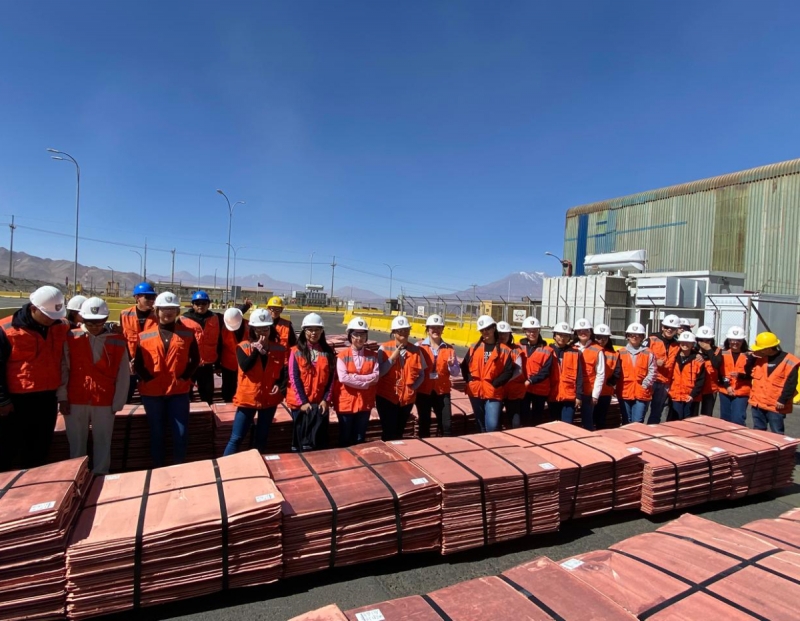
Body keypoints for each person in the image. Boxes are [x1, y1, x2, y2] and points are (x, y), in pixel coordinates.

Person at [57, 297, 129, 474]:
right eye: (90, 322)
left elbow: (123, 374)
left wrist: (118, 401)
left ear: (105, 320)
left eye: (99, 322)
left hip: (104, 399)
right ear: (82, 318)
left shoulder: (117, 340)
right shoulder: (71, 337)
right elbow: (63, 369)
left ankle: (100, 474)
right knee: (76, 442)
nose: (95, 326)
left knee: (103, 441)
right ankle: (76, 475)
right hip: (76, 399)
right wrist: (63, 397)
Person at [0, 286, 69, 471]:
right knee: (9, 448)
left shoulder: (59, 325)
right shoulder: (7, 330)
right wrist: (3, 400)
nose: (51, 320)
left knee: (40, 446)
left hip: (47, 398)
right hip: (17, 401)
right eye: (47, 316)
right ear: (33, 309)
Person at [134, 292, 200, 467]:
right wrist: (148, 380)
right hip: (152, 393)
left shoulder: (187, 334)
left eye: (172, 309)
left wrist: (184, 378)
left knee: (181, 432)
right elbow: (138, 365)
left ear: (178, 311)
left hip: (178, 392)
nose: (168, 312)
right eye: (164, 309)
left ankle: (179, 466)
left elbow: (195, 360)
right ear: (156, 310)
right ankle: (158, 468)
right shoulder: (144, 336)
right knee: (157, 433)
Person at [223, 308, 287, 455]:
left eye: (265, 328)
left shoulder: (278, 348)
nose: (262, 332)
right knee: (237, 438)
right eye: (258, 329)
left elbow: (283, 373)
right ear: (252, 329)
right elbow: (245, 366)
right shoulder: (243, 347)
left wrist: (280, 386)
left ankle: (256, 468)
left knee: (261, 438)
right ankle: (226, 468)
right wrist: (256, 350)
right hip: (248, 398)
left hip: (269, 399)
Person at [286, 313, 335, 451]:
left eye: (317, 329)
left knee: (318, 442)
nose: (314, 333)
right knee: (301, 441)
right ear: (304, 331)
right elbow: (294, 378)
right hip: (300, 405)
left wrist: (326, 400)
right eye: (310, 329)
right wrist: (303, 402)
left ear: (322, 331)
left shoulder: (328, 351)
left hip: (320, 403)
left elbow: (332, 378)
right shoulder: (295, 351)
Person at [461, 315, 513, 433]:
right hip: (476, 390)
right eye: (482, 330)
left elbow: (508, 371)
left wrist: (495, 384)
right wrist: (469, 380)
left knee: (492, 425)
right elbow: (464, 366)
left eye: (488, 329)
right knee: (479, 423)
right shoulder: (474, 347)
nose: (485, 332)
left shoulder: (505, 350)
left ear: (494, 328)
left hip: (493, 391)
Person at [376, 315, 425, 441]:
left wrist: (413, 388)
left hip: (406, 399)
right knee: (389, 432)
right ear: (393, 333)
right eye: (400, 331)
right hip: (387, 397)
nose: (403, 333)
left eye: (406, 330)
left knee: (399, 432)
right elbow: (379, 373)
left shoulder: (415, 350)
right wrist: (392, 359)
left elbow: (421, 374)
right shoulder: (384, 348)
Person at [336, 316, 380, 446]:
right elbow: (343, 378)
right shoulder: (342, 356)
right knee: (345, 437)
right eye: (356, 335)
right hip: (347, 403)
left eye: (362, 335)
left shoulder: (373, 356)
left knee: (360, 438)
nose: (359, 338)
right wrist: (366, 382)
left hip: (364, 403)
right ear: (350, 336)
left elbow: (376, 377)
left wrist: (354, 377)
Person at [416, 314, 460, 437]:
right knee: (424, 423)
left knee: (446, 425)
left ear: (442, 329)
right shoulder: (418, 347)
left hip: (442, 391)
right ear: (427, 329)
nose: (436, 330)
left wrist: (452, 365)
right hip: (424, 391)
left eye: (438, 327)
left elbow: (456, 373)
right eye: (432, 328)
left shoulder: (449, 349)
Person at [748, 331, 799, 434]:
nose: (759, 351)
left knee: (777, 433)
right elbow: (747, 371)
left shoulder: (790, 361)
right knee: (758, 431)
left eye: (761, 349)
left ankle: (779, 450)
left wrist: (782, 400)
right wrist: (751, 358)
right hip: (758, 403)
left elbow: (791, 383)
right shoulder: (759, 358)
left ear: (768, 349)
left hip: (775, 405)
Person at [181, 290, 221, 405]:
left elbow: (233, 317)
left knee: (207, 395)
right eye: (197, 303)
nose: (201, 306)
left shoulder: (216, 318)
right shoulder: (183, 320)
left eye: (204, 303)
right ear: (193, 304)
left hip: (207, 365)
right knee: (185, 394)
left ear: (208, 304)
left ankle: (207, 419)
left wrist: (218, 365)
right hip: (189, 365)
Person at [120, 282, 158, 403]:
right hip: (129, 365)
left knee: (149, 398)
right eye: (148, 297)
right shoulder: (125, 314)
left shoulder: (158, 316)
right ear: (137, 297)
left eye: (153, 297)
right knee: (125, 397)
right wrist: (128, 361)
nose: (151, 300)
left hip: (151, 365)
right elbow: (123, 339)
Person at [616, 323, 656, 424]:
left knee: (638, 421)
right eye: (631, 335)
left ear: (642, 337)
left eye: (637, 335)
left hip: (642, 392)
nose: (634, 337)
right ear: (627, 336)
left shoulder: (648, 352)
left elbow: (653, 371)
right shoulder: (620, 352)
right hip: (625, 391)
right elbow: (616, 372)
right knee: (626, 421)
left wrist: (645, 385)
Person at [519, 316, 555, 427]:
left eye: (535, 330)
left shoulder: (547, 350)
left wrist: (531, 380)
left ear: (539, 331)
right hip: (523, 389)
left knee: (537, 418)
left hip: (540, 390)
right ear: (524, 331)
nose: (532, 333)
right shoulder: (518, 346)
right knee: (523, 417)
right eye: (529, 330)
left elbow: (546, 371)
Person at [647, 314, 681, 424]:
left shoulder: (678, 344)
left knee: (656, 413)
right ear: (662, 327)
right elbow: (640, 356)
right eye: (667, 327)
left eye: (673, 328)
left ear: (677, 330)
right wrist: (654, 362)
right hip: (650, 380)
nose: (669, 330)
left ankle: (651, 434)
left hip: (665, 383)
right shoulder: (651, 340)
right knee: (642, 410)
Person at [573, 318, 605, 431]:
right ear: (576, 332)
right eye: (580, 331)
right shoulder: (572, 348)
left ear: (590, 332)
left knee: (587, 422)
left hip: (588, 393)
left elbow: (600, 374)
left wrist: (595, 395)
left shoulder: (597, 350)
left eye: (586, 330)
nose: (583, 333)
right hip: (572, 391)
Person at [717, 326, 752, 426]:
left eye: (739, 340)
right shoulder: (722, 353)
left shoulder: (749, 355)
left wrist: (741, 375)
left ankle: (738, 439)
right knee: (725, 420)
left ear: (743, 341)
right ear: (728, 340)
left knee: (738, 419)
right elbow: (719, 373)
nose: (735, 343)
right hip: (725, 390)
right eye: (732, 340)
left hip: (742, 392)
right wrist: (727, 386)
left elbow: (753, 374)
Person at [548, 322, 582, 424]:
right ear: (554, 336)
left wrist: (579, 396)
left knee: (567, 426)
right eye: (560, 335)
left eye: (566, 335)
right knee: (552, 426)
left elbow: (579, 376)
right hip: (552, 395)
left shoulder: (576, 353)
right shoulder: (547, 350)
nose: (562, 338)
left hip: (569, 396)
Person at [668, 331, 706, 420]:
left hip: (690, 397)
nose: (685, 344)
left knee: (689, 422)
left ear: (693, 344)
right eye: (683, 342)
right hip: (675, 396)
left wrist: (693, 395)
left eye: (688, 343)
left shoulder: (698, 360)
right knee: (674, 422)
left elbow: (701, 380)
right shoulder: (673, 357)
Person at [497, 321, 526, 428]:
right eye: (500, 333)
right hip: (497, 389)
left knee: (515, 419)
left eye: (505, 333)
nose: (502, 336)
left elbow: (518, 370)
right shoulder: (492, 348)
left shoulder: (516, 350)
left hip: (513, 390)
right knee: (496, 419)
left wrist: (503, 381)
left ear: (510, 335)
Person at [593, 323, 620, 430]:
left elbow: (617, 371)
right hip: (590, 391)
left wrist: (611, 382)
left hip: (605, 392)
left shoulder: (614, 354)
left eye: (605, 337)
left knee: (601, 419)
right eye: (599, 337)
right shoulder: (590, 351)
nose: (602, 340)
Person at [220, 307, 248, 403]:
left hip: (245, 363)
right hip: (228, 363)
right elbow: (218, 345)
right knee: (228, 386)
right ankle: (227, 400)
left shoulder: (249, 326)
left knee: (243, 386)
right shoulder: (223, 326)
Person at [695, 325, 722, 416]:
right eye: (702, 340)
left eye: (708, 340)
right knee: (692, 415)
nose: (705, 343)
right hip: (696, 388)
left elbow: (717, 364)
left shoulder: (717, 351)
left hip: (711, 388)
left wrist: (709, 350)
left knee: (706, 415)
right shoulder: (693, 350)